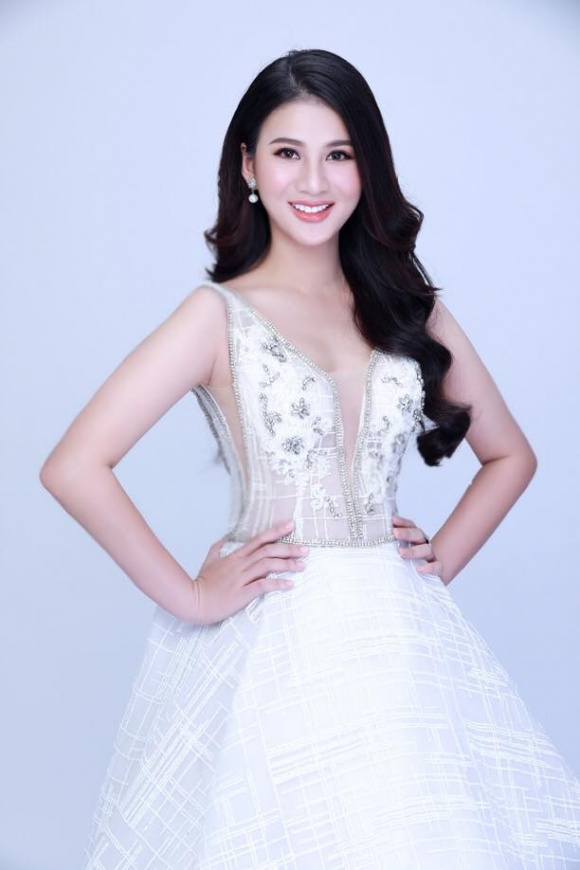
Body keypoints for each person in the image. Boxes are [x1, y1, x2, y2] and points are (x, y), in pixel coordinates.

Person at [40, 48, 580, 869]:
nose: (315, 181)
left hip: (397, 645)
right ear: (248, 166)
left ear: (368, 167)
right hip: (270, 641)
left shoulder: (411, 308)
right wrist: (190, 595)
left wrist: (435, 562)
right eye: (288, 153)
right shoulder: (217, 315)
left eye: (340, 154)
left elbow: (510, 455)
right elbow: (74, 465)